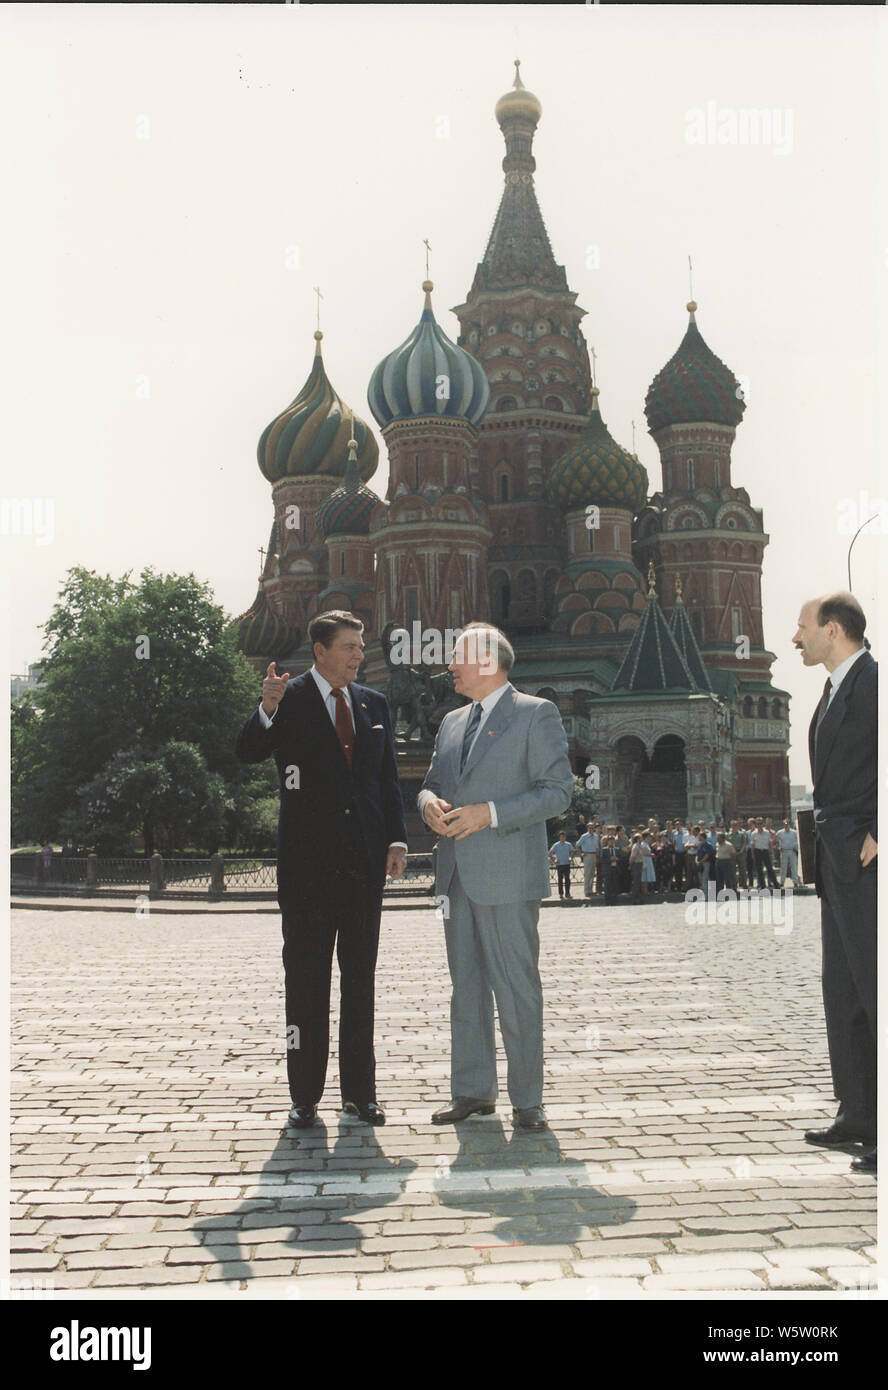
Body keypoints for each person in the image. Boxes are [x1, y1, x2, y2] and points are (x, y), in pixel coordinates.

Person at [235, 610, 408, 1129]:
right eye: (350, 646)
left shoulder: (374, 703)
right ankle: (304, 1097)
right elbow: (247, 752)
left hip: (363, 871)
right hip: (307, 871)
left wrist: (396, 839)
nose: (360, 654)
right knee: (306, 983)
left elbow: (387, 780)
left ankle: (361, 1094)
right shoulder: (288, 699)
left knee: (360, 982)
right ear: (320, 651)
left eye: (360, 645)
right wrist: (265, 708)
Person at [418, 622, 573, 1132]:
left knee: (516, 988)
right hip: (457, 876)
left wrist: (491, 813)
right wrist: (428, 806)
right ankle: (472, 1091)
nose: (449, 667)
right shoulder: (451, 722)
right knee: (466, 988)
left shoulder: (536, 714)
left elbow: (557, 793)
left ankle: (528, 1102)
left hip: (507, 875)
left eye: (456, 657)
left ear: (487, 661)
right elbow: (432, 784)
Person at [794, 592, 877, 1174]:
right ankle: (858, 1113)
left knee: (878, 991)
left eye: (802, 628)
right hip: (835, 861)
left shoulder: (875, 684)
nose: (795, 639)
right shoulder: (833, 689)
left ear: (832, 629)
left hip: (868, 858)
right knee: (844, 991)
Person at [751, 818, 779, 889]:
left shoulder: (766, 832)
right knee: (759, 869)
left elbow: (769, 843)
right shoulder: (754, 833)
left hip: (765, 851)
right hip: (758, 851)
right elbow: (752, 845)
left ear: (763, 824)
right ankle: (762, 886)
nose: (759, 825)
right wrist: (753, 854)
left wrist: (770, 852)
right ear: (756, 825)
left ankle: (776, 884)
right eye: (758, 824)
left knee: (770, 869)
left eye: (760, 824)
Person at [576, 822, 600, 899]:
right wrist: (581, 854)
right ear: (587, 828)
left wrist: (597, 856)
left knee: (593, 873)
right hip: (587, 855)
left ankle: (590, 890)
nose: (591, 829)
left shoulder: (596, 836)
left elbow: (597, 847)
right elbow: (577, 845)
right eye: (589, 827)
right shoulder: (584, 836)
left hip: (594, 855)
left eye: (592, 827)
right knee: (587, 873)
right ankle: (586, 891)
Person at [548, 831, 575, 900]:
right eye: (561, 837)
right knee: (560, 880)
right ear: (559, 837)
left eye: (564, 837)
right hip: (559, 865)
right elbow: (550, 853)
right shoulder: (556, 845)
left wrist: (571, 857)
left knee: (567, 880)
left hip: (566, 864)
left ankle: (567, 893)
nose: (562, 838)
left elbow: (572, 851)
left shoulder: (568, 844)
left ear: (565, 837)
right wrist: (554, 860)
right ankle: (561, 893)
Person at [776, 818, 800, 888]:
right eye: (785, 824)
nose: (786, 825)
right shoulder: (779, 832)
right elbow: (776, 841)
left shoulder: (794, 832)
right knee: (783, 867)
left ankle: (795, 882)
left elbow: (798, 840)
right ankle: (782, 882)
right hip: (784, 851)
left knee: (794, 867)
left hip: (792, 850)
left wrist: (796, 848)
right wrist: (778, 847)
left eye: (787, 824)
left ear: (790, 824)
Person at [728, 820, 749, 889]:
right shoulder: (728, 835)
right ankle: (734, 885)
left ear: (737, 826)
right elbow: (727, 844)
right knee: (732, 870)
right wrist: (732, 852)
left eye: (735, 825)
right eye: (732, 825)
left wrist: (740, 851)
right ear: (731, 826)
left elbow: (744, 843)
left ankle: (744, 884)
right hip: (732, 853)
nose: (734, 827)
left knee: (742, 869)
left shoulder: (741, 834)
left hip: (740, 853)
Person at [695, 831, 715, 897]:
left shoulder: (708, 845)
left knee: (705, 879)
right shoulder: (699, 844)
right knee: (700, 879)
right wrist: (696, 861)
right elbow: (697, 854)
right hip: (699, 864)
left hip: (706, 863)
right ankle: (705, 893)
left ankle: (706, 896)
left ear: (703, 837)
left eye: (699, 836)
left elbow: (707, 855)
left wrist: (701, 862)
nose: (698, 837)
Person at [600, 834, 618, 905]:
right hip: (607, 870)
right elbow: (602, 859)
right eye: (610, 841)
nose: (611, 842)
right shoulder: (604, 850)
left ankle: (614, 900)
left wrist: (617, 859)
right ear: (607, 842)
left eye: (613, 841)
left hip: (615, 869)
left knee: (615, 885)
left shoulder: (617, 849)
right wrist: (610, 859)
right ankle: (607, 901)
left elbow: (620, 857)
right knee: (607, 885)